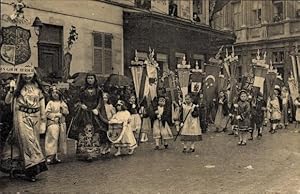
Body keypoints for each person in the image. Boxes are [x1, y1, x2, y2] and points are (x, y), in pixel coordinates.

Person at [0, 73, 48, 182]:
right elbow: (8, 101)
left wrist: (43, 121)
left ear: (34, 74)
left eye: (29, 73)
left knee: (32, 141)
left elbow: (42, 104)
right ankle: (33, 168)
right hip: (21, 116)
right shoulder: (17, 86)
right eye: (25, 73)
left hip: (35, 117)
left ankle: (19, 166)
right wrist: (11, 90)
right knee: (28, 140)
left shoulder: (38, 87)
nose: (27, 76)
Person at [69, 73, 106, 162]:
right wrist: (81, 105)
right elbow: (77, 100)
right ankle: (83, 153)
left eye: (91, 78)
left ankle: (94, 153)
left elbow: (100, 101)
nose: (90, 80)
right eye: (88, 78)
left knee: (95, 131)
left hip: (94, 113)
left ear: (94, 79)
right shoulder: (82, 90)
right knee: (83, 131)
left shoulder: (98, 90)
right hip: (84, 113)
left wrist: (97, 109)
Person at [45, 86, 69, 164]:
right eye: (53, 93)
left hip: (61, 123)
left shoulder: (62, 103)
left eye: (57, 93)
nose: (55, 95)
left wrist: (63, 110)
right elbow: (47, 113)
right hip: (53, 123)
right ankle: (50, 156)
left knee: (60, 140)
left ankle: (56, 156)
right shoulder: (50, 103)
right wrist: (55, 115)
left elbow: (67, 112)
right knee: (52, 139)